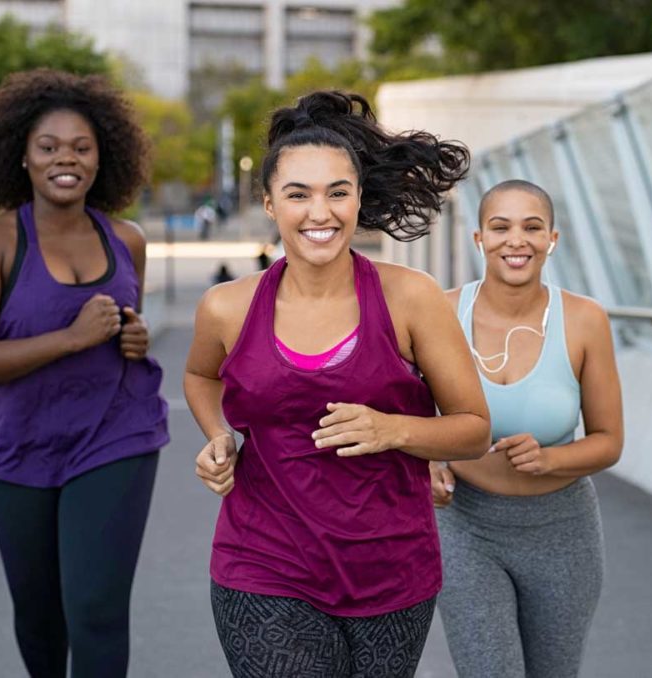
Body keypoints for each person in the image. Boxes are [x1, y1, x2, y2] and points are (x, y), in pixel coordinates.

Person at [184, 90, 491, 678]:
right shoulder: (226, 307)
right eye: (298, 194)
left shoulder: (411, 298)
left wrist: (391, 429)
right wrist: (218, 435)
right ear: (270, 203)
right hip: (264, 562)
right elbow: (200, 375)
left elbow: (473, 430)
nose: (318, 212)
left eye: (337, 193)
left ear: (358, 200)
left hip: (391, 569)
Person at [0, 69, 168, 678]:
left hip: (116, 437)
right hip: (21, 446)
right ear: (21, 155)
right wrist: (70, 340)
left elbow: (123, 325)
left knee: (96, 609)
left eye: (81, 147)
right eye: (48, 147)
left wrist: (133, 337)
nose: (65, 159)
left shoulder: (127, 238)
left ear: (103, 157)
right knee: (40, 616)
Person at [430, 179, 624, 678]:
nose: (516, 240)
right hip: (466, 528)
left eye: (532, 228)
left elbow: (609, 442)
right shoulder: (441, 312)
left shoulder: (584, 320)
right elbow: (409, 413)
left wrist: (550, 459)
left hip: (563, 532)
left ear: (551, 240)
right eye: (501, 227)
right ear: (479, 240)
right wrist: (429, 460)